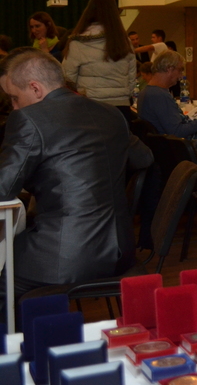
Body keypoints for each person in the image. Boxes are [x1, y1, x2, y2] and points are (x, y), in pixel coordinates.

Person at [0, 48, 152, 314]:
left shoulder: (29, 119)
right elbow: (144, 158)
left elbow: (3, 188)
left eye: (14, 97)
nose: (14, 106)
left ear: (35, 88)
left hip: (65, 256)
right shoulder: (110, 113)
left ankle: (27, 341)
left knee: (3, 270)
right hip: (120, 250)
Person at [61, 0, 137, 113]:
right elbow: (132, 77)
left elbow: (68, 78)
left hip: (89, 105)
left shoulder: (78, 42)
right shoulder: (124, 41)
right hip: (121, 105)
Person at [137, 50, 197, 137]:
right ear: (169, 69)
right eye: (180, 70)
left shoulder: (146, 92)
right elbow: (177, 132)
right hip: (176, 144)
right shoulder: (159, 95)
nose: (181, 76)